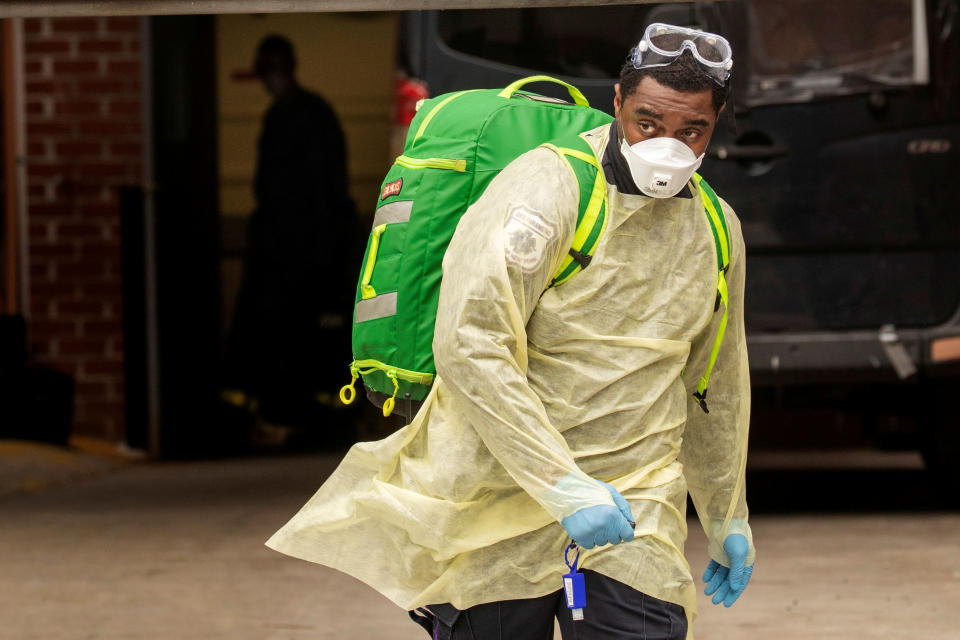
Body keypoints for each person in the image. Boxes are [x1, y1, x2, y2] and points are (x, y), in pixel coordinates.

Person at [267, 23, 754, 639]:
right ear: (616, 105)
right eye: (648, 123)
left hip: (637, 501)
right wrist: (563, 485)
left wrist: (726, 512)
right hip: (498, 490)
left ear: (716, 125)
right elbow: (471, 346)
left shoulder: (715, 228)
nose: (668, 146)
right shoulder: (546, 189)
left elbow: (716, 378)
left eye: (692, 131)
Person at [222, 35, 358, 434]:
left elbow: (278, 191)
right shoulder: (316, 114)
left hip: (290, 254)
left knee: (286, 339)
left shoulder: (288, 119)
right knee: (311, 342)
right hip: (313, 252)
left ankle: (287, 418)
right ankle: (319, 421)